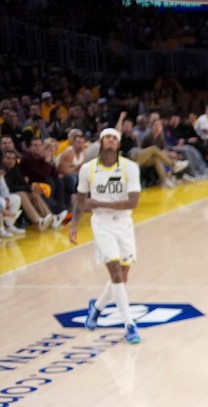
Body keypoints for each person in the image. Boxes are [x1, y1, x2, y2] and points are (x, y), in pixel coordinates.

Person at [70, 128, 143, 345]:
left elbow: (133, 203)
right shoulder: (88, 169)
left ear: (118, 144)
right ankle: (129, 324)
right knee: (115, 271)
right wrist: (74, 224)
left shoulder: (130, 168)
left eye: (114, 138)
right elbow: (81, 199)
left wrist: (98, 203)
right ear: (101, 142)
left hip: (124, 223)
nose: (110, 141)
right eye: (107, 138)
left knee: (122, 276)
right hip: (102, 224)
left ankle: (97, 308)